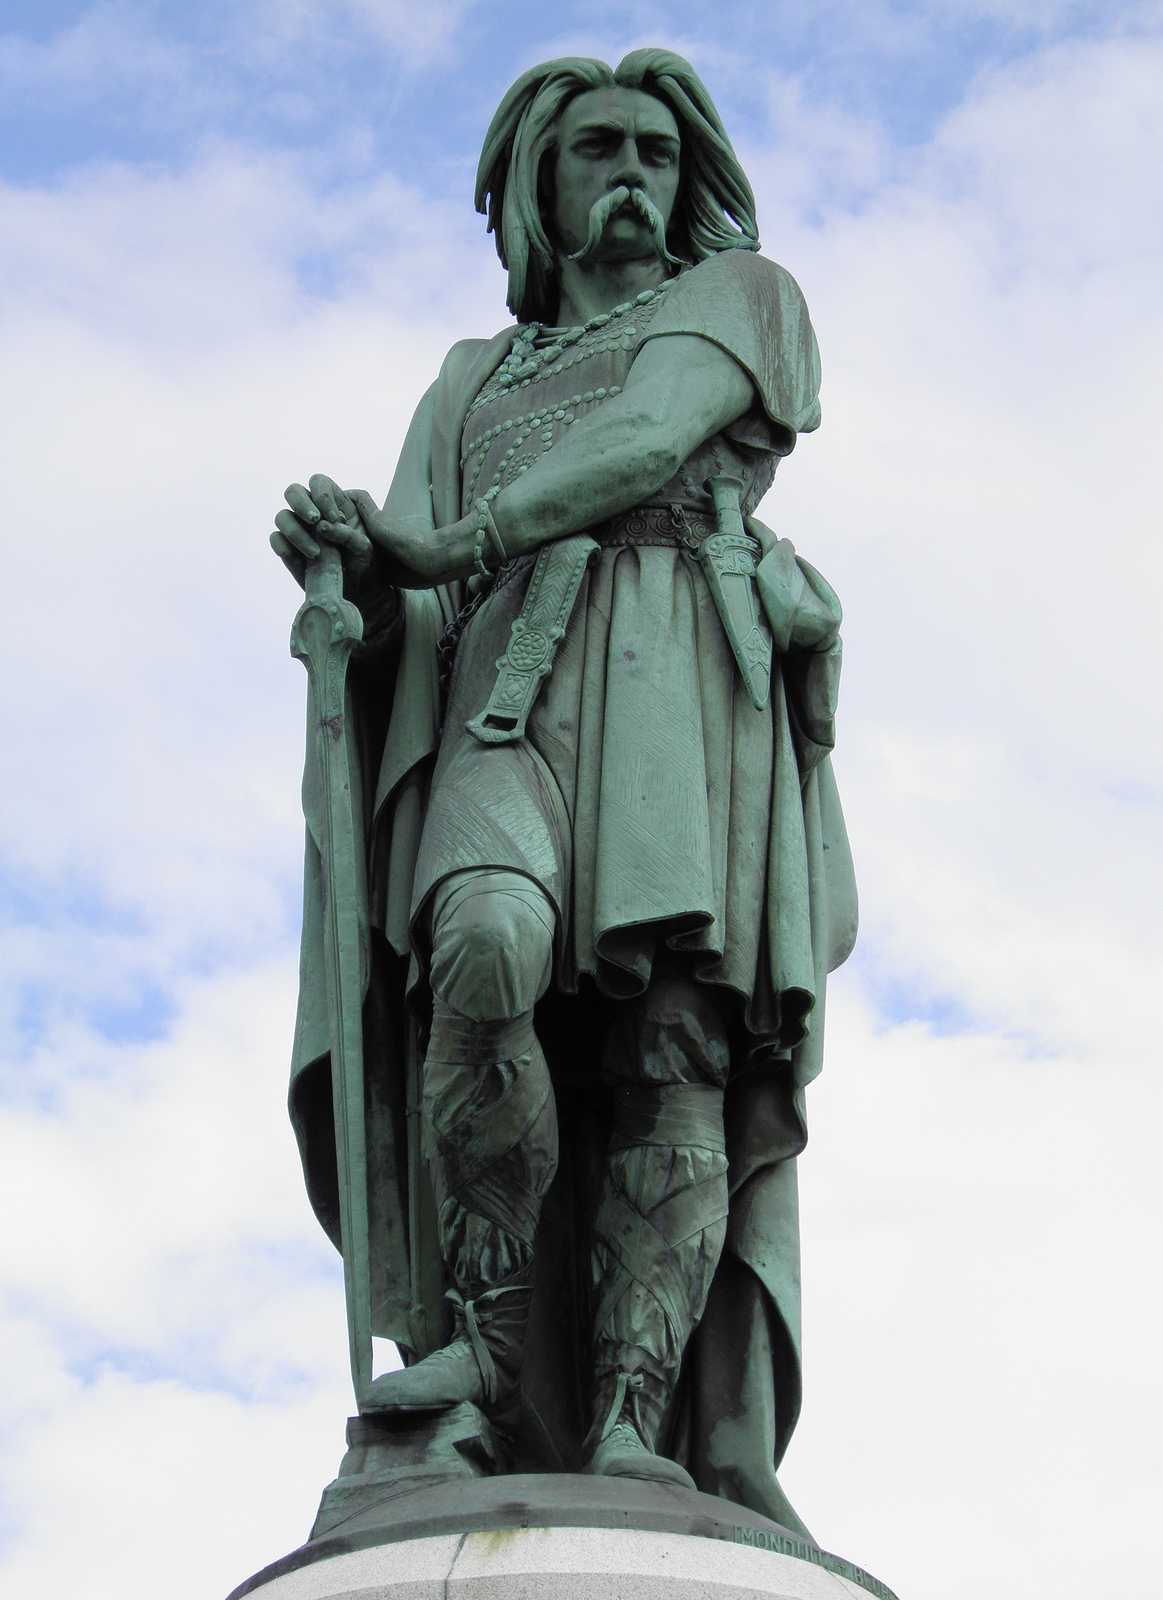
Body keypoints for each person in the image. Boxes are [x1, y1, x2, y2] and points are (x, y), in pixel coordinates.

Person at [272, 50, 856, 1530]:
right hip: (498, 699)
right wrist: (353, 570)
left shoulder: (742, 301)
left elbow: (644, 441)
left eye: (657, 152)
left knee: (673, 1047)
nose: (633, 177)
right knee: (478, 941)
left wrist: (442, 546)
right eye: (599, 150)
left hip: (674, 682)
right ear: (542, 185)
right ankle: (487, 1342)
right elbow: (406, 589)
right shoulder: (469, 380)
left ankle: (633, 1417)